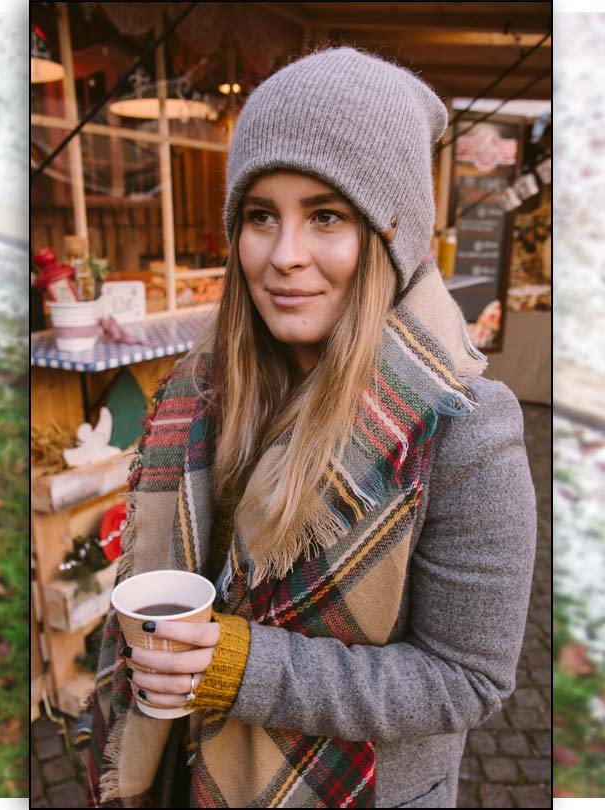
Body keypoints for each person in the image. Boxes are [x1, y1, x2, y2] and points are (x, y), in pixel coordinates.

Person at [85, 47, 536, 808]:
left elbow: (467, 681)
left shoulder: (462, 427)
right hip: (179, 773)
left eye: (325, 215)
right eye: (261, 216)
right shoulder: (205, 388)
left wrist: (237, 667)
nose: (283, 256)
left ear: (390, 231)